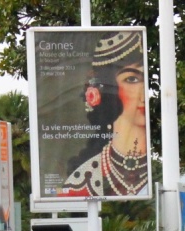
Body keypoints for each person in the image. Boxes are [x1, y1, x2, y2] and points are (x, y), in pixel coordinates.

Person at [59, 31, 147, 198]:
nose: (143, 96)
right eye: (132, 79)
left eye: (145, 80)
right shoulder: (83, 181)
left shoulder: (162, 176)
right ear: (109, 91)